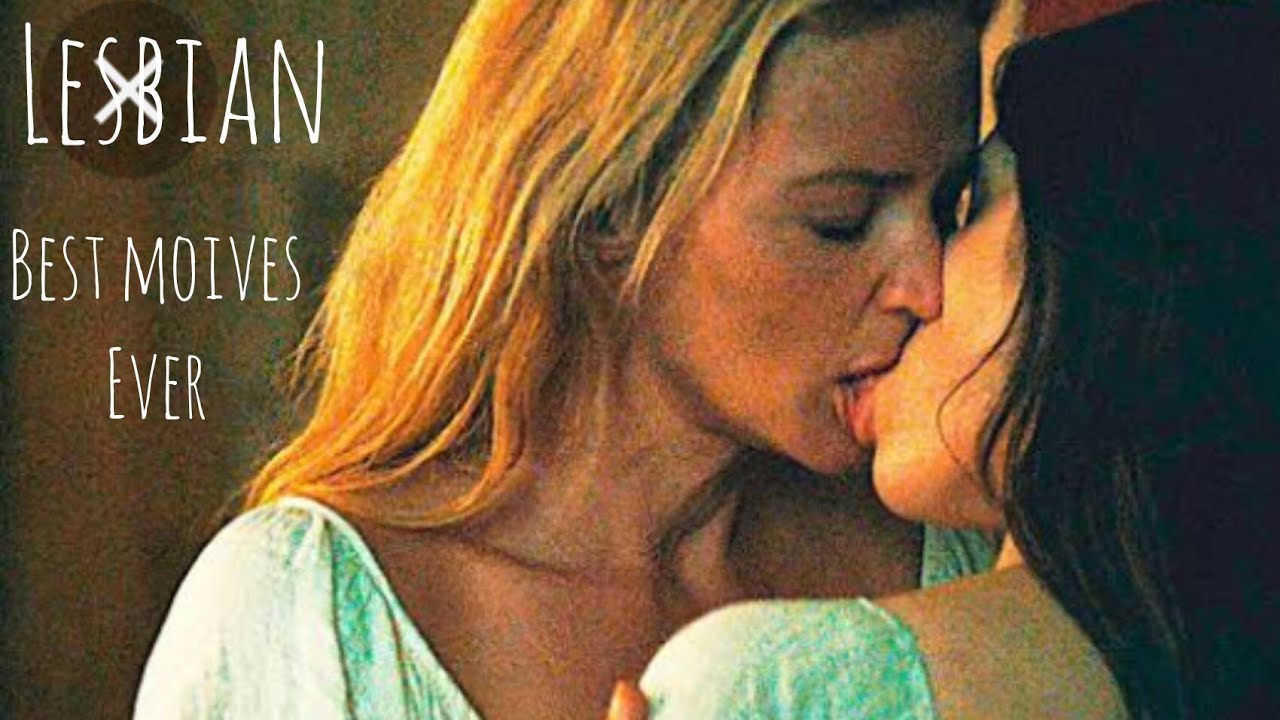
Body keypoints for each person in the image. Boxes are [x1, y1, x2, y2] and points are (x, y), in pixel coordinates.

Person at [133, 1, 1001, 718]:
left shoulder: (955, 566)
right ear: (614, 204)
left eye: (948, 207)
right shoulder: (308, 617)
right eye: (842, 220)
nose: (927, 286)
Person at [630, 2, 1280, 718]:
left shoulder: (784, 685)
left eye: (963, 209)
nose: (923, 283)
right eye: (844, 222)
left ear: (1117, 276)